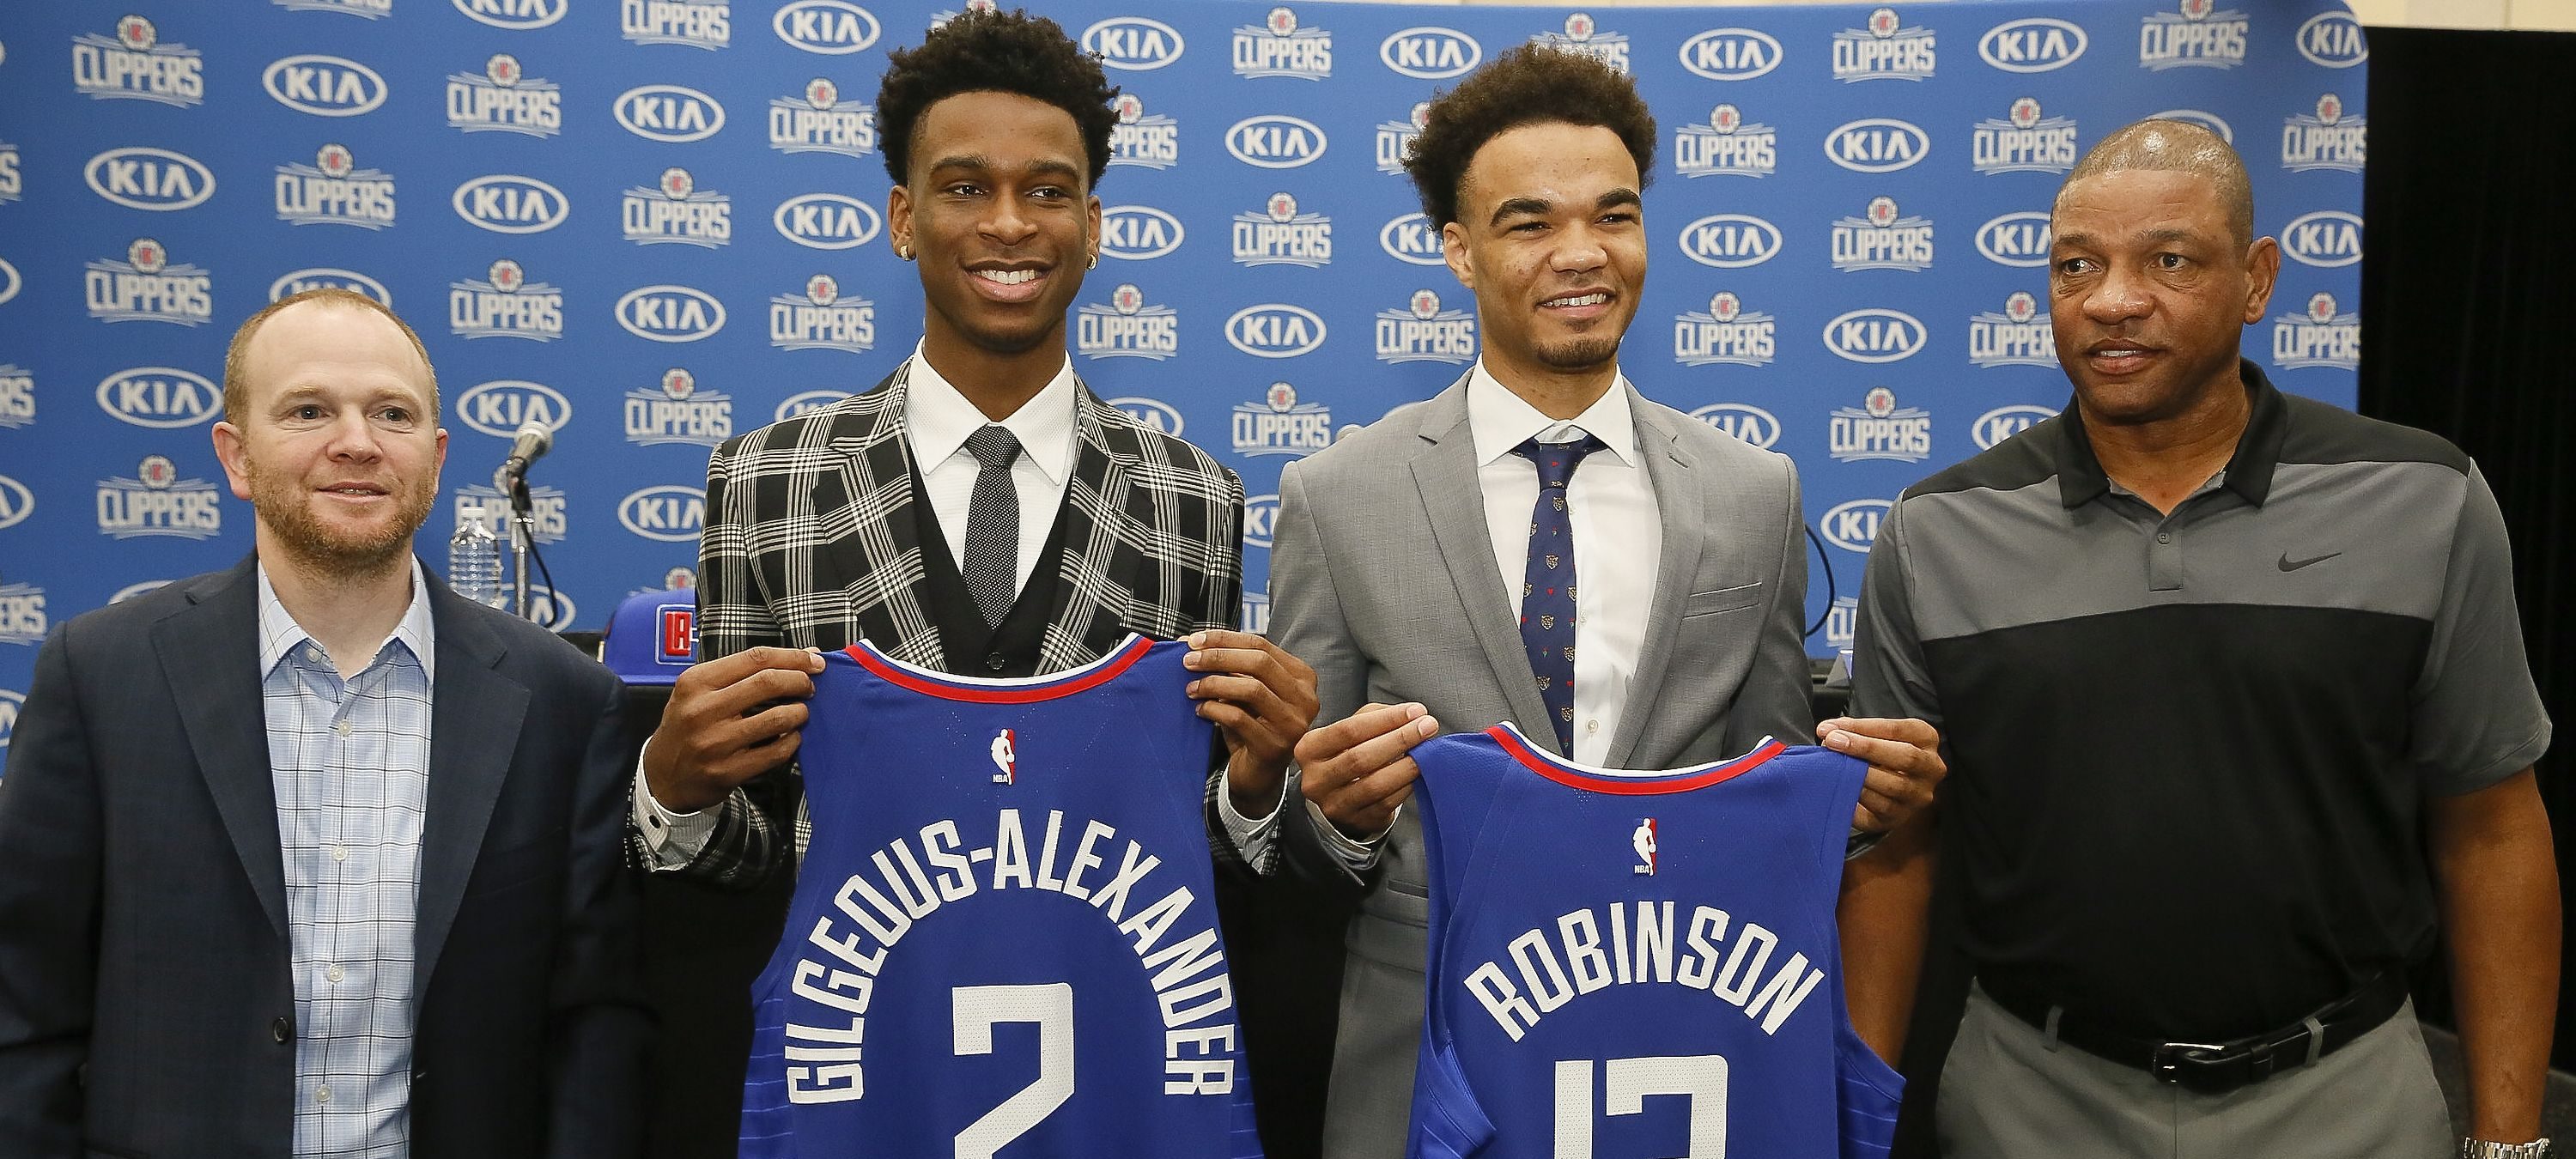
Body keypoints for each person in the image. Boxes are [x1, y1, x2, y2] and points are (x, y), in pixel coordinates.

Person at [624, 7, 1320, 1144]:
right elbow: (753, 852)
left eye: (1048, 192)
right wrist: (674, 788)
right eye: (963, 187)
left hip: (1102, 1090)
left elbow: (1185, 862)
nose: (1008, 222)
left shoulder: (1193, 498)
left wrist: (1255, 788)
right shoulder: (770, 483)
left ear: (1094, 225)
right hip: (866, 1084)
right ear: (904, 218)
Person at [1262, 46, 1947, 1158]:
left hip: (1679, 1061)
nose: (1581, 253)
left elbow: (1762, 797)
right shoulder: (1338, 496)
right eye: (1529, 223)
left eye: (1614, 215)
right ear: (1460, 251)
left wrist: (1855, 811)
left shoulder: (1751, 492)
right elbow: (1292, 847)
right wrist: (1334, 813)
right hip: (1426, 1075)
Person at [1850, 119, 2557, 1158]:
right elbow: (1894, 852)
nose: (2112, 299)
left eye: (2168, 260)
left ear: (2257, 280)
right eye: (2075, 266)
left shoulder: (2423, 498)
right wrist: (1855, 1122)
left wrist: (2508, 1142)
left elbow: (2493, 827)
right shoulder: (1935, 533)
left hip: (2347, 1099)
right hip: (2032, 1105)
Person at [0, 288, 650, 1158]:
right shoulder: (102, 676)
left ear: (435, 454)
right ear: (235, 456)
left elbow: (593, 1024)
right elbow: (25, 1009)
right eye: (309, 410)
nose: (358, 441)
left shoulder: (565, 700)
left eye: (393, 413)